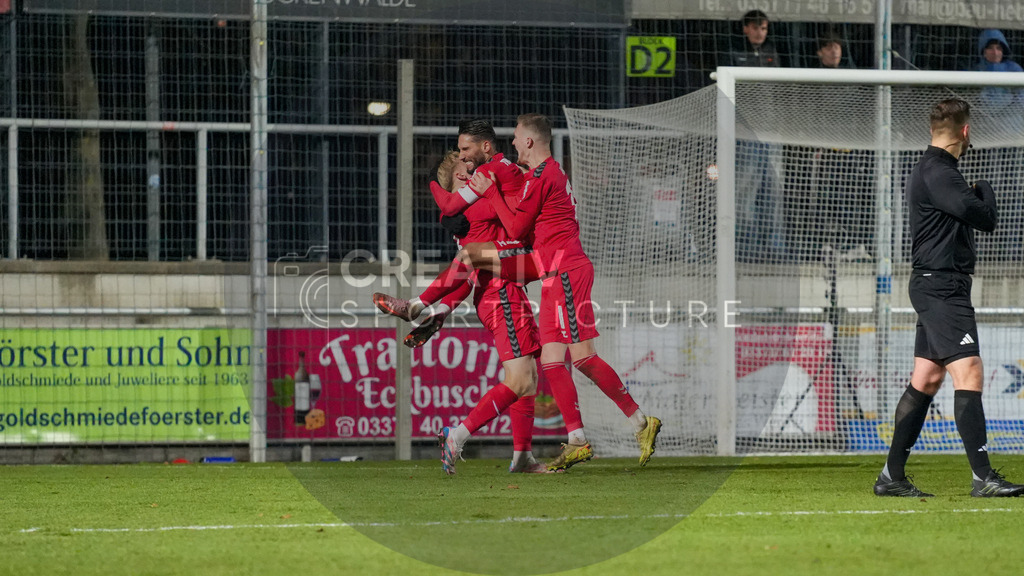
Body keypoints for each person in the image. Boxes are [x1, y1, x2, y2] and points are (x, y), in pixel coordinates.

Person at [460, 113, 663, 471]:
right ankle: (578, 441)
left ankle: (641, 423)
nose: (512, 144)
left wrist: (490, 191)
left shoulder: (544, 176)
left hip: (566, 270)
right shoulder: (541, 176)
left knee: (582, 356)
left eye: (516, 137)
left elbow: (517, 226)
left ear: (529, 142)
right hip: (556, 273)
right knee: (553, 362)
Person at [873, 98, 1024, 498]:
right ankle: (983, 477)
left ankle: (891, 477)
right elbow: (986, 218)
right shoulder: (941, 173)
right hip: (942, 286)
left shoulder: (932, 170)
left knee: (926, 378)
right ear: (966, 131)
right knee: (970, 369)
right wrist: (987, 191)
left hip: (936, 284)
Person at [413, 151, 547, 475]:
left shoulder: (471, 211)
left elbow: (466, 273)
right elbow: (470, 264)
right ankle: (456, 435)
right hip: (501, 294)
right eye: (465, 166)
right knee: (519, 379)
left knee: (528, 379)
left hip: (508, 290)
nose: (472, 167)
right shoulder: (477, 209)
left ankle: (522, 456)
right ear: (460, 179)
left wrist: (444, 308)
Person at [373, 119, 525, 325]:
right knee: (468, 263)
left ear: (485, 146)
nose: (463, 156)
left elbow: (449, 207)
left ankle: (415, 306)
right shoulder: (494, 176)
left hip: (507, 281)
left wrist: (433, 182)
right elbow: (466, 277)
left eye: (465, 150)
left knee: (468, 258)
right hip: (499, 277)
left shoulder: (487, 174)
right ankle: (434, 312)